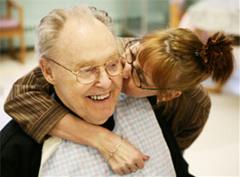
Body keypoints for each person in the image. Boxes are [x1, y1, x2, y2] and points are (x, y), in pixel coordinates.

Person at [2, 5, 234, 175]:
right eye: (87, 69)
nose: (119, 74)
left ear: (166, 94)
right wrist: (101, 138)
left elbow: (175, 158)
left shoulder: (187, 107)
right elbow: (20, 95)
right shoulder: (117, 47)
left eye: (139, 77)